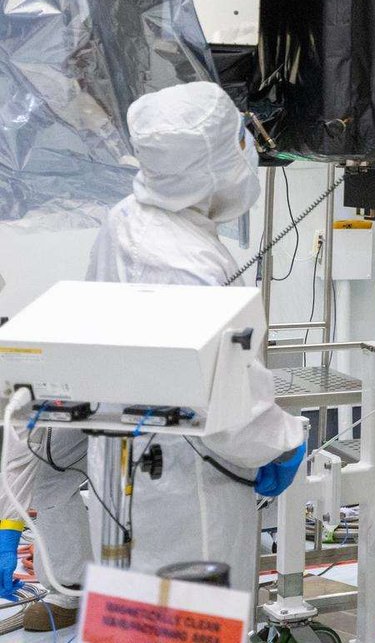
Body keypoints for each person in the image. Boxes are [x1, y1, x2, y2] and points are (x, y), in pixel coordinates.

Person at [1, 83, 306, 626]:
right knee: (186, 618)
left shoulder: (126, 219)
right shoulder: (190, 264)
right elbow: (226, 401)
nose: (249, 150)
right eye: (239, 140)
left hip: (122, 461)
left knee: (130, 615)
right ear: (210, 164)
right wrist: (282, 442)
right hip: (188, 483)